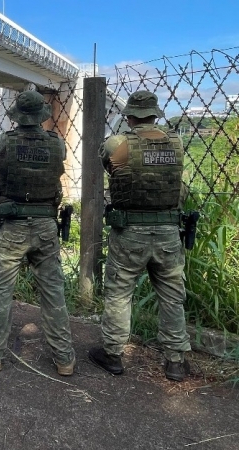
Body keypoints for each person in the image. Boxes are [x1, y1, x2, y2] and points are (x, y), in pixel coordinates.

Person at [88, 90, 191, 382]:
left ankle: (113, 354)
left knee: (120, 294)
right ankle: (174, 360)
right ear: (155, 113)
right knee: (172, 297)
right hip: (169, 232)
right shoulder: (177, 142)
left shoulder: (117, 144)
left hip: (129, 232)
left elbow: (110, 169)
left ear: (129, 115)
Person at [0, 90, 76, 376]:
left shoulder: (0, 143)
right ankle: (65, 359)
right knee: (54, 292)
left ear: (17, 115)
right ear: (42, 116)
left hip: (10, 227)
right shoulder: (58, 145)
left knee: (2, 291)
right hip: (45, 226)